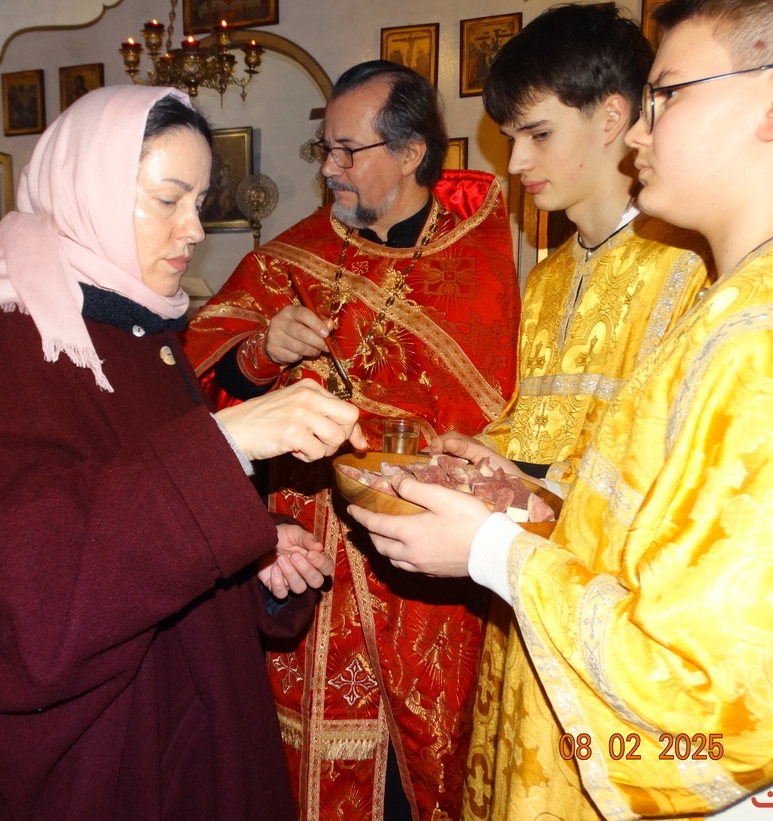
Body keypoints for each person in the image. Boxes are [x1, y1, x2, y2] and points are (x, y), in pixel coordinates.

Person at [349, 0, 773, 817]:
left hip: (619, 662)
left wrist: (494, 538)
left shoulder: (733, 301)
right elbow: (622, 472)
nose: (516, 161)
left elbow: (718, 681)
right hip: (556, 611)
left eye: (668, 98)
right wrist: (508, 476)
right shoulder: (561, 275)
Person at [0, 86, 368, 820]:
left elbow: (144, 516)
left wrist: (253, 550)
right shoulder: (19, 341)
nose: (193, 229)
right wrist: (227, 442)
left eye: (199, 202)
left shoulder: (135, 326)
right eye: (167, 199)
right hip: (103, 754)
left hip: (180, 712)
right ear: (88, 191)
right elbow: (23, 591)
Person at [185, 61, 520, 820]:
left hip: (420, 556)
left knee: (416, 770)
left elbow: (491, 415)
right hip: (303, 549)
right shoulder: (288, 257)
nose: (329, 168)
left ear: (410, 153)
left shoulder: (477, 258)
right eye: (323, 149)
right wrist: (260, 352)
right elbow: (199, 395)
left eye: (347, 150)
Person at [443, 6, 714, 817]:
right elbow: (541, 422)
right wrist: (478, 457)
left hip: (613, 625)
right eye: (510, 138)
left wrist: (528, 487)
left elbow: (668, 471)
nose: (517, 161)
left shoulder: (693, 264)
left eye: (537, 134)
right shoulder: (549, 275)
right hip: (525, 596)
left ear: (611, 117)